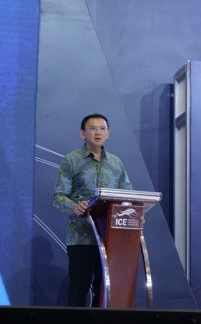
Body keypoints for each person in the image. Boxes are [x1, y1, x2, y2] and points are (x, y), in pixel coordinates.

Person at [52, 113, 132, 307]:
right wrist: (74, 206)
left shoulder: (116, 163)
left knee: (104, 293)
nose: (98, 132)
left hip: (110, 237)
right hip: (81, 237)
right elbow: (58, 196)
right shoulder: (71, 160)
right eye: (93, 128)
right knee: (78, 292)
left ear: (108, 134)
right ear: (83, 133)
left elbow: (127, 196)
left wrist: (134, 211)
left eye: (102, 128)